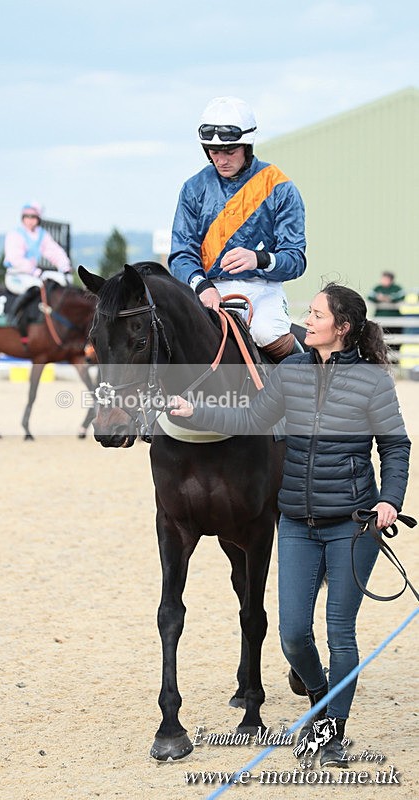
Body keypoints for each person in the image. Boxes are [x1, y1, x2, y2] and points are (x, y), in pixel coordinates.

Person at [169, 282, 411, 767]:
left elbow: (395, 445)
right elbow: (252, 417)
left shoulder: (373, 380)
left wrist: (389, 499)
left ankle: (331, 729)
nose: (308, 319)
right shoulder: (291, 371)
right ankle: (321, 697)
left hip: (354, 523)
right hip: (298, 522)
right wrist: (197, 412)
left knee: (340, 633)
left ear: (342, 327)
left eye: (317, 314)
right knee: (293, 636)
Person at [168, 96, 307, 361]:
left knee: (267, 333)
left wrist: (259, 259)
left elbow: (296, 260)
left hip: (263, 290)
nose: (221, 160)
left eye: (229, 151)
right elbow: (181, 254)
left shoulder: (279, 187)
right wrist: (201, 285)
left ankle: (305, 378)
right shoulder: (193, 188)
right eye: (214, 151)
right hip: (207, 289)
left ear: (247, 146)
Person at [4, 201, 73, 335]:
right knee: (36, 286)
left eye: (33, 217)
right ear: (23, 218)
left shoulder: (41, 235)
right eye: (27, 217)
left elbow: (54, 251)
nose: (30, 220)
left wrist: (64, 266)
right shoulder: (15, 234)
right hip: (17, 274)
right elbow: (15, 258)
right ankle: (13, 317)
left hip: (34, 274)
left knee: (64, 281)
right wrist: (33, 271)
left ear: (38, 219)